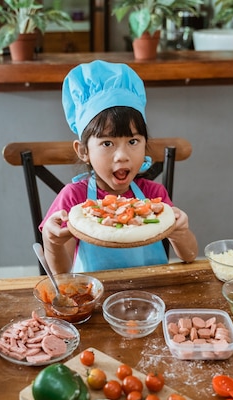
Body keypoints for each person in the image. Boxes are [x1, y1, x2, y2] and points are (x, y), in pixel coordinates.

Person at [40, 60, 198, 274]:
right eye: (107, 143)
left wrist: (180, 233)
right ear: (83, 151)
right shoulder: (73, 198)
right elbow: (61, 274)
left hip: (151, 294)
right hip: (96, 295)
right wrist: (52, 242)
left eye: (133, 142)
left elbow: (189, 256)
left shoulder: (154, 196)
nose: (122, 156)